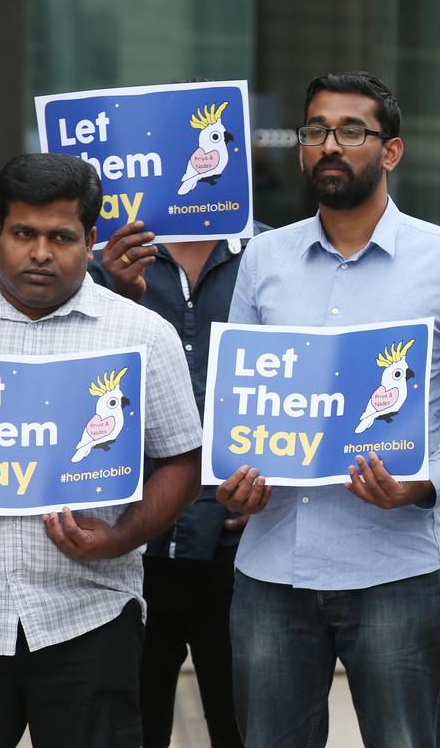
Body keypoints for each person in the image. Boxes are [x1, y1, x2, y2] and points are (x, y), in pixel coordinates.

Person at [216, 70, 440, 748]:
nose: (329, 146)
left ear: (392, 151)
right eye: (315, 131)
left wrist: (425, 483)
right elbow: (238, 403)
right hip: (270, 567)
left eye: (350, 131)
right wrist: (232, 479)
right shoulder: (264, 260)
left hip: (394, 572)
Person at [0, 153, 203, 748]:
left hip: (89, 621)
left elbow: (183, 459)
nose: (41, 253)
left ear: (91, 239)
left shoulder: (142, 333)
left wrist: (121, 537)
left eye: (61, 237)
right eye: (24, 233)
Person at [89, 217, 268, 748]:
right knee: (132, 727)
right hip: (129, 543)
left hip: (241, 545)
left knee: (241, 726)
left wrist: (282, 476)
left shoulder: (273, 256)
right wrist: (118, 292)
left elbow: (307, 380)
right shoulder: (99, 260)